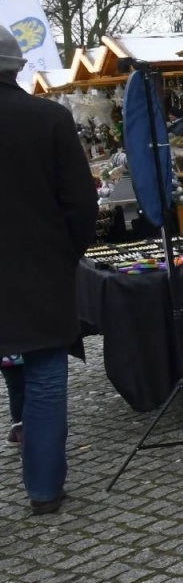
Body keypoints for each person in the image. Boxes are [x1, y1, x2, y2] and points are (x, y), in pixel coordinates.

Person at [0, 30, 98, 514]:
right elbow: (81, 203)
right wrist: (65, 253)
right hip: (39, 272)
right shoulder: (49, 119)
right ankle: (43, 490)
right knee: (43, 376)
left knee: (31, 371)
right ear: (16, 67)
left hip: (34, 271)